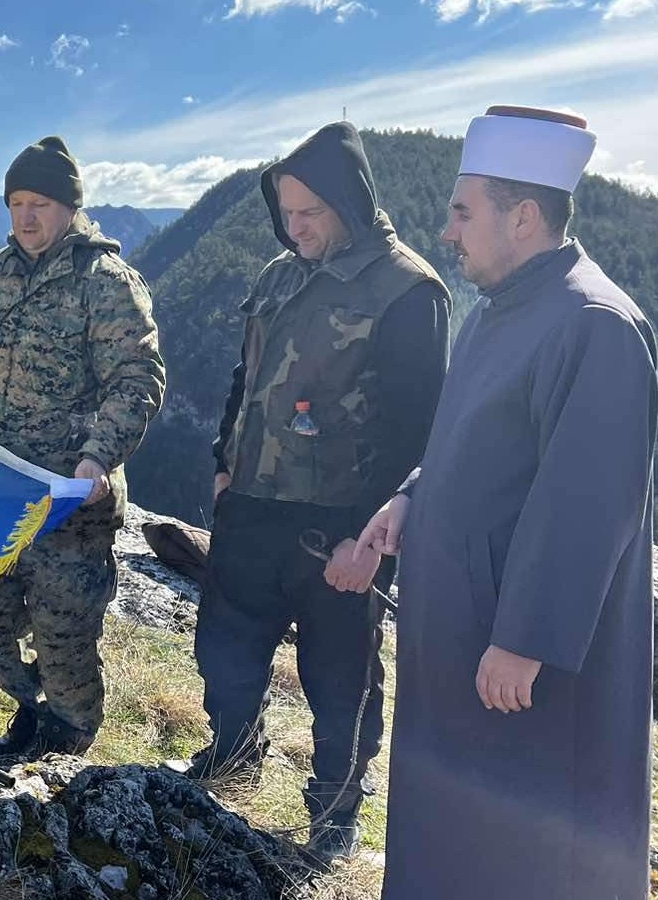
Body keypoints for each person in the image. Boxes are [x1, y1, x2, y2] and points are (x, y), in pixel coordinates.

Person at [355, 106, 657, 899]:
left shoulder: (596, 325)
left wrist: (525, 638)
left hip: (518, 662)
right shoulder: (502, 310)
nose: (447, 233)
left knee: (523, 840)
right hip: (464, 637)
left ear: (522, 217)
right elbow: (473, 440)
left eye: (462, 212)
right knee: (454, 825)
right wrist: (411, 499)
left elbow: (588, 500)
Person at [166, 122, 449, 865]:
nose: (293, 230)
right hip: (254, 507)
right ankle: (232, 755)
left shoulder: (407, 290)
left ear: (349, 203)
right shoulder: (279, 274)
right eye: (285, 214)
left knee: (341, 677)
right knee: (226, 648)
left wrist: (369, 539)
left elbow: (418, 430)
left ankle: (336, 810)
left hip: (340, 527)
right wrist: (224, 468)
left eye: (309, 214)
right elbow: (244, 379)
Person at [0, 136, 164, 755]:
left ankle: (67, 739)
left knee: (64, 631)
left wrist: (97, 458)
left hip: (69, 499)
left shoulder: (106, 283)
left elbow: (137, 379)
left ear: (69, 208)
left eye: (40, 203)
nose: (27, 216)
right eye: (17, 203)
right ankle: (31, 708)